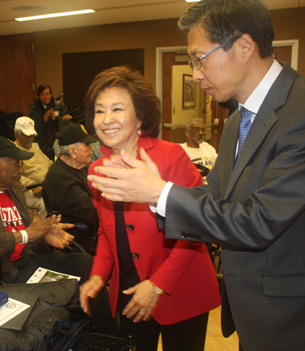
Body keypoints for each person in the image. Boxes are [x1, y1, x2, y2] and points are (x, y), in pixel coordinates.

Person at [87, 1, 305, 350]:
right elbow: (215, 202)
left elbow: (261, 219)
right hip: (253, 310)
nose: (196, 72)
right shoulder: (237, 120)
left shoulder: (299, 111)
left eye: (199, 58)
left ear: (244, 47)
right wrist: (160, 193)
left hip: (290, 314)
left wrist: (159, 193)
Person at [80, 66, 220, 351]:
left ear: (140, 116)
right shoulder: (96, 169)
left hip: (180, 289)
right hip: (129, 292)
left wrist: (157, 285)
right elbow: (108, 233)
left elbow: (196, 230)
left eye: (117, 109)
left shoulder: (170, 156)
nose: (106, 120)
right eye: (99, 110)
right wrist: (97, 275)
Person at [0, 134, 93, 285]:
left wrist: (45, 237)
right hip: (4, 270)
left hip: (30, 259)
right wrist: (23, 235)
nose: (21, 170)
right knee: (58, 289)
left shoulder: (14, 190)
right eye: (16, 164)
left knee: (84, 262)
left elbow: (30, 240)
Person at [42, 123, 100, 255]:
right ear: (73, 151)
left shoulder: (81, 167)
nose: (91, 149)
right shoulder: (61, 179)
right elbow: (91, 214)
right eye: (86, 145)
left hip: (91, 231)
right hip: (81, 238)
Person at [13, 116, 52, 219]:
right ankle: (47, 232)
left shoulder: (36, 150)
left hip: (46, 187)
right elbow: (14, 176)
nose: (31, 138)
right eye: (27, 135)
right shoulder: (13, 151)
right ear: (18, 133)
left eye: (32, 135)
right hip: (26, 191)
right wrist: (32, 185)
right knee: (46, 203)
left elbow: (49, 165)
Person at [29, 84, 68, 160]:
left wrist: (54, 119)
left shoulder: (60, 105)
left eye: (48, 94)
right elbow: (33, 128)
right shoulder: (34, 109)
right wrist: (44, 120)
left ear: (51, 94)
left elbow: (66, 123)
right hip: (43, 144)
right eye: (43, 94)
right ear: (39, 96)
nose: (46, 97)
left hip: (58, 142)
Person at [180, 118, 218, 183]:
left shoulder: (207, 147)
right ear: (187, 133)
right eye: (197, 130)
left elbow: (219, 164)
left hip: (212, 185)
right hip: (194, 186)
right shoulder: (181, 150)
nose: (201, 133)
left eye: (203, 130)